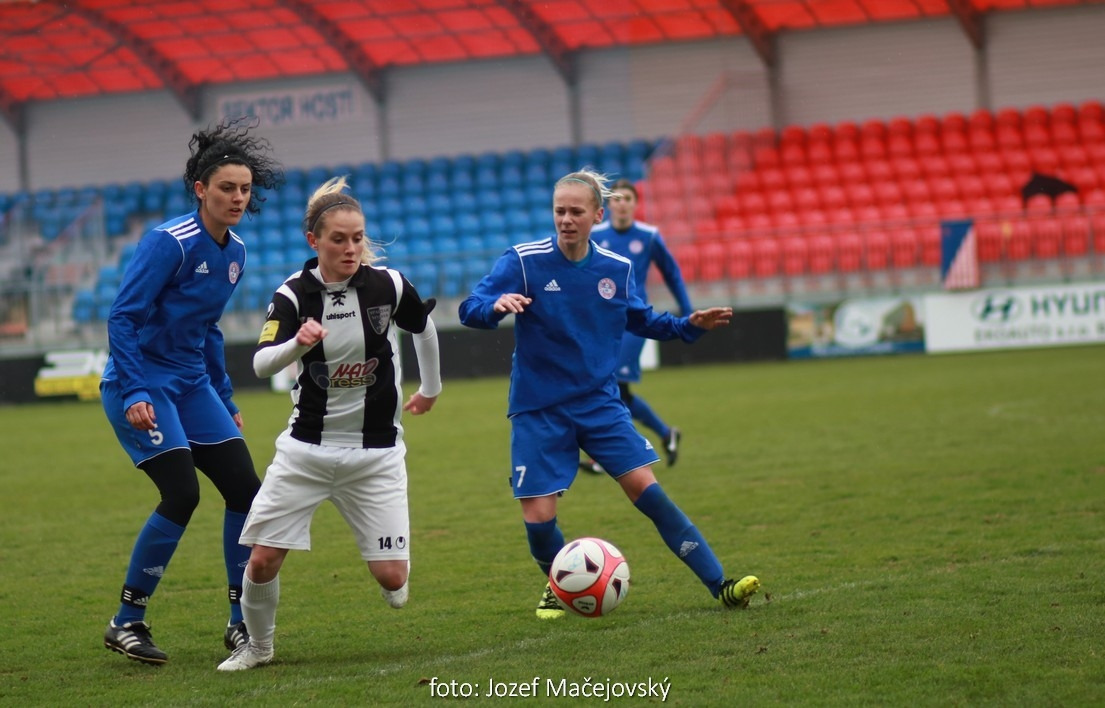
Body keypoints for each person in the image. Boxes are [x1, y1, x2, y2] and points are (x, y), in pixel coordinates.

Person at [458, 168, 759, 619]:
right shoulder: (523, 261)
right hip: (538, 407)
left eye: (575, 211)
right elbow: (470, 307)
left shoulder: (616, 269)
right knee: (539, 520)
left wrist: (688, 326)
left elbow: (643, 320)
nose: (565, 219)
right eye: (559, 211)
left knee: (649, 492)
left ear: (597, 215)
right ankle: (559, 586)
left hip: (599, 402)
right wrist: (494, 306)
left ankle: (721, 585)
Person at [217, 176, 442, 671]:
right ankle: (258, 647)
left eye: (357, 238)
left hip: (377, 455)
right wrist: (297, 343)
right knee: (261, 559)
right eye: (338, 239)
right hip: (305, 452)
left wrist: (430, 389)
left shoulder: (388, 284)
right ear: (313, 241)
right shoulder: (293, 296)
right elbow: (261, 364)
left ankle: (394, 572)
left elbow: (423, 328)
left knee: (392, 579)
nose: (350, 248)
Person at [100, 117, 283, 665]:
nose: (238, 197)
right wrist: (135, 390)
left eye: (245, 189)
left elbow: (208, 328)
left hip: (194, 384)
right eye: (227, 187)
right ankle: (126, 621)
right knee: (182, 494)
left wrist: (224, 398)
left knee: (246, 491)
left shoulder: (236, 253)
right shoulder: (169, 243)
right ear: (201, 189)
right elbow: (123, 316)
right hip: (143, 383)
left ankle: (240, 622)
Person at [580, 178, 694, 474]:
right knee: (615, 389)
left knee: (613, 386)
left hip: (634, 321)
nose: (622, 204)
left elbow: (671, 273)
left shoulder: (648, 236)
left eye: (627, 199)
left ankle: (608, 454)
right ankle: (666, 433)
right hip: (602, 322)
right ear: (608, 205)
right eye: (616, 199)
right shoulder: (594, 235)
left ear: (635, 203)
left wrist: (687, 310)